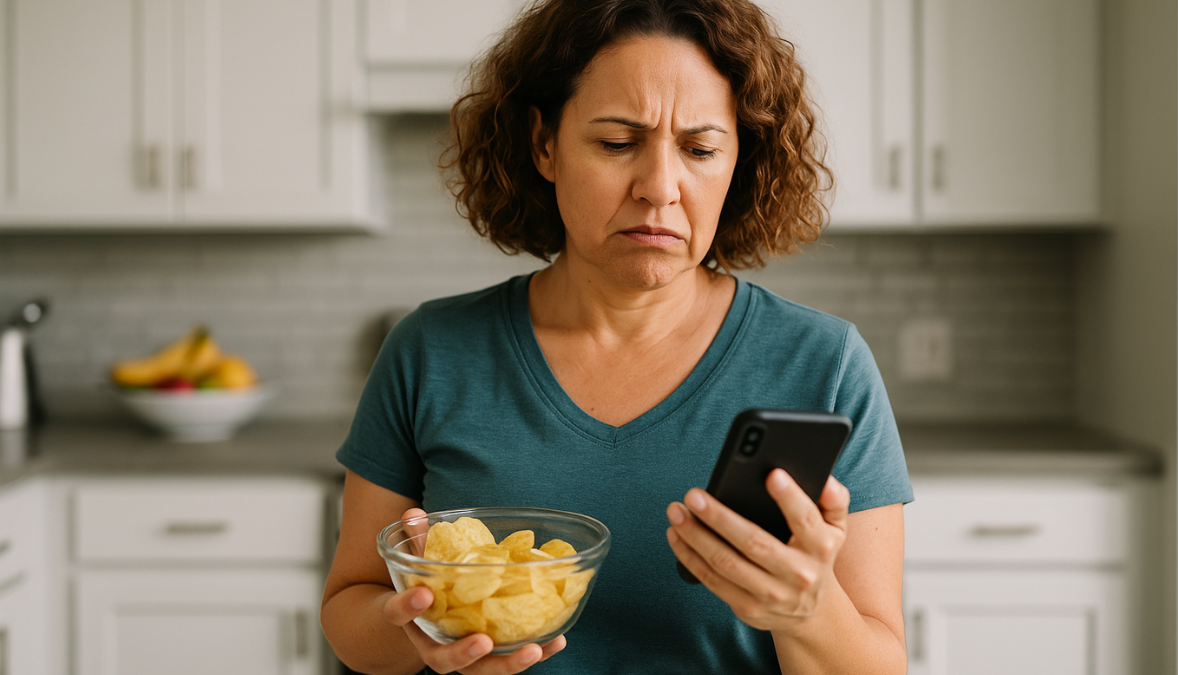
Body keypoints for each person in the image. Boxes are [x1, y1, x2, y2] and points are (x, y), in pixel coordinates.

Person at [320, 0, 913, 673]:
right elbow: (350, 611)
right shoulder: (428, 351)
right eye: (616, 143)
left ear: (738, 161)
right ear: (545, 145)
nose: (659, 187)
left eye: (700, 149)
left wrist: (808, 609)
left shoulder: (827, 366)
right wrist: (422, 621)